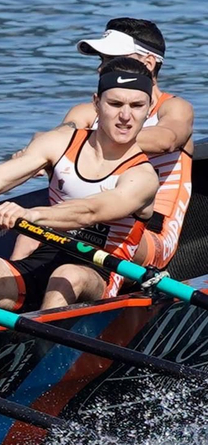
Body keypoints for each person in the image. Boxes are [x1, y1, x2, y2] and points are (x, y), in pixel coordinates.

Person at [0, 60, 161, 310]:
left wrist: (33, 214)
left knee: (67, 275)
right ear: (96, 103)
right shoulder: (58, 143)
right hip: (43, 261)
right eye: (115, 104)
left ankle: (41, 346)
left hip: (99, 274)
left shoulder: (142, 176)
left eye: (136, 106)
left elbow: (90, 211)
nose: (125, 116)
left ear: (148, 110)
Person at [56, 19, 193, 267]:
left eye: (110, 61)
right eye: (102, 61)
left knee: (68, 227)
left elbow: (165, 140)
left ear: (148, 63)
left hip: (152, 234)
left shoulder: (174, 109)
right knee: (31, 233)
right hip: (89, 217)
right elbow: (56, 142)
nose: (100, 69)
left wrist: (96, 136)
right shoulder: (84, 112)